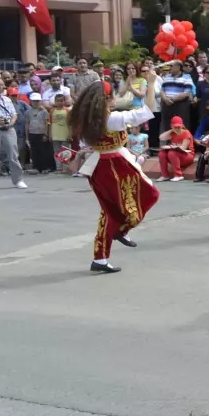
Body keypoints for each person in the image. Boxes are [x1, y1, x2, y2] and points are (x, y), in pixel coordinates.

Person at [69, 73, 159, 272]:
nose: (116, 97)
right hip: (114, 164)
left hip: (100, 165)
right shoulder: (112, 119)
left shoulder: (87, 119)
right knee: (149, 195)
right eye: (112, 95)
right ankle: (121, 230)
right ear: (106, 100)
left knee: (108, 212)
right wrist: (151, 84)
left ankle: (100, 257)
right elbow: (147, 110)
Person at [0, 77, 27, 189]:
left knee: (14, 155)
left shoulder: (7, 99)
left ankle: (18, 180)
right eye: (1, 85)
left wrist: (11, 123)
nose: (3, 87)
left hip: (9, 130)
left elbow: (14, 115)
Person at [158, 116, 195, 181]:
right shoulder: (172, 133)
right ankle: (164, 175)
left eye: (179, 127)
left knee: (171, 153)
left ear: (182, 125)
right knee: (162, 153)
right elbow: (161, 137)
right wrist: (171, 130)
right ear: (171, 126)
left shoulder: (186, 132)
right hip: (176, 156)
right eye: (175, 127)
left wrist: (170, 147)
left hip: (188, 156)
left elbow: (183, 148)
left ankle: (178, 175)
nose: (177, 129)